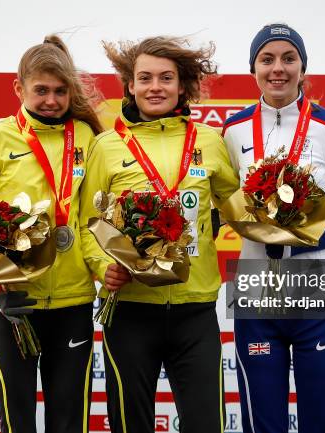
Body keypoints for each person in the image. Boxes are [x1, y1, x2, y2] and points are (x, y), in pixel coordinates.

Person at [0, 35, 103, 433]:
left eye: (60, 91)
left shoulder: (85, 137)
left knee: (69, 422)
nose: (51, 100)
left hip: (73, 303)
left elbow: (96, 218)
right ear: (19, 88)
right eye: (41, 90)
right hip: (14, 306)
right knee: (18, 422)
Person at [222, 24, 325, 433]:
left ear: (302, 67)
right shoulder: (233, 130)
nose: (278, 69)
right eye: (267, 59)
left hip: (317, 299)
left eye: (288, 59)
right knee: (264, 424)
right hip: (257, 298)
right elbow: (218, 207)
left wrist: (308, 234)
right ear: (252, 68)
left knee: (320, 423)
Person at [79, 36, 239, 433]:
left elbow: (239, 210)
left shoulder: (210, 142)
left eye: (166, 78)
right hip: (130, 308)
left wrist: (302, 230)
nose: (155, 87)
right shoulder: (107, 146)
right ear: (129, 86)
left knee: (206, 425)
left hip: (195, 309)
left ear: (182, 85)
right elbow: (86, 224)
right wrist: (103, 267)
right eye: (145, 78)